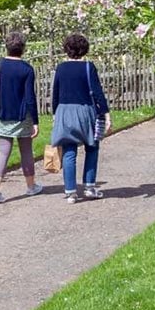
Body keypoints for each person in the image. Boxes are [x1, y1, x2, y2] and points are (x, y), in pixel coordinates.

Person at [50, 33, 110, 203]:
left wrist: (55, 114)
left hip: (64, 111)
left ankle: (70, 192)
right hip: (85, 112)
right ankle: (89, 187)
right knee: (92, 147)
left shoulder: (61, 68)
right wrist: (106, 113)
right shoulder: (88, 67)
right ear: (84, 49)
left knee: (69, 151)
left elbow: (55, 93)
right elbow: (98, 93)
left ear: (67, 49)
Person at [0, 32, 44, 204]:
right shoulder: (26, 69)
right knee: (26, 150)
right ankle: (31, 186)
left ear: (7, 46)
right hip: (21, 116)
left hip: (1, 114)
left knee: (3, 152)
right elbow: (29, 97)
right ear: (23, 48)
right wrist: (35, 121)